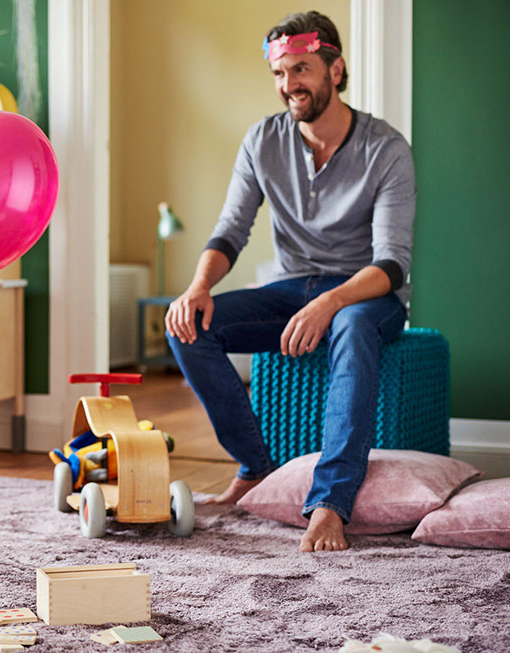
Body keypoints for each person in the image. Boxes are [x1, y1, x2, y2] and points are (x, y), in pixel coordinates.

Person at [165, 11, 415, 553]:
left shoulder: (387, 148)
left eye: (300, 69)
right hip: (291, 287)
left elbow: (392, 263)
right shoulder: (262, 140)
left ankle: (330, 503)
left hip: (367, 295)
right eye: (280, 74)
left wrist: (331, 301)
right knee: (188, 326)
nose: (288, 85)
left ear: (336, 68)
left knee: (348, 324)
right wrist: (197, 286)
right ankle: (255, 466)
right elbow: (230, 231)